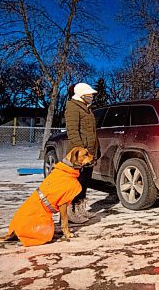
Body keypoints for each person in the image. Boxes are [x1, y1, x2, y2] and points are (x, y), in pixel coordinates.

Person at [65, 82, 99, 223]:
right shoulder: (72, 107)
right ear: (81, 95)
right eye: (89, 94)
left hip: (88, 154)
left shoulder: (87, 108)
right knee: (76, 184)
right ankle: (71, 211)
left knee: (85, 182)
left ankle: (81, 209)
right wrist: (81, 152)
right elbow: (72, 131)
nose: (91, 96)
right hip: (80, 156)